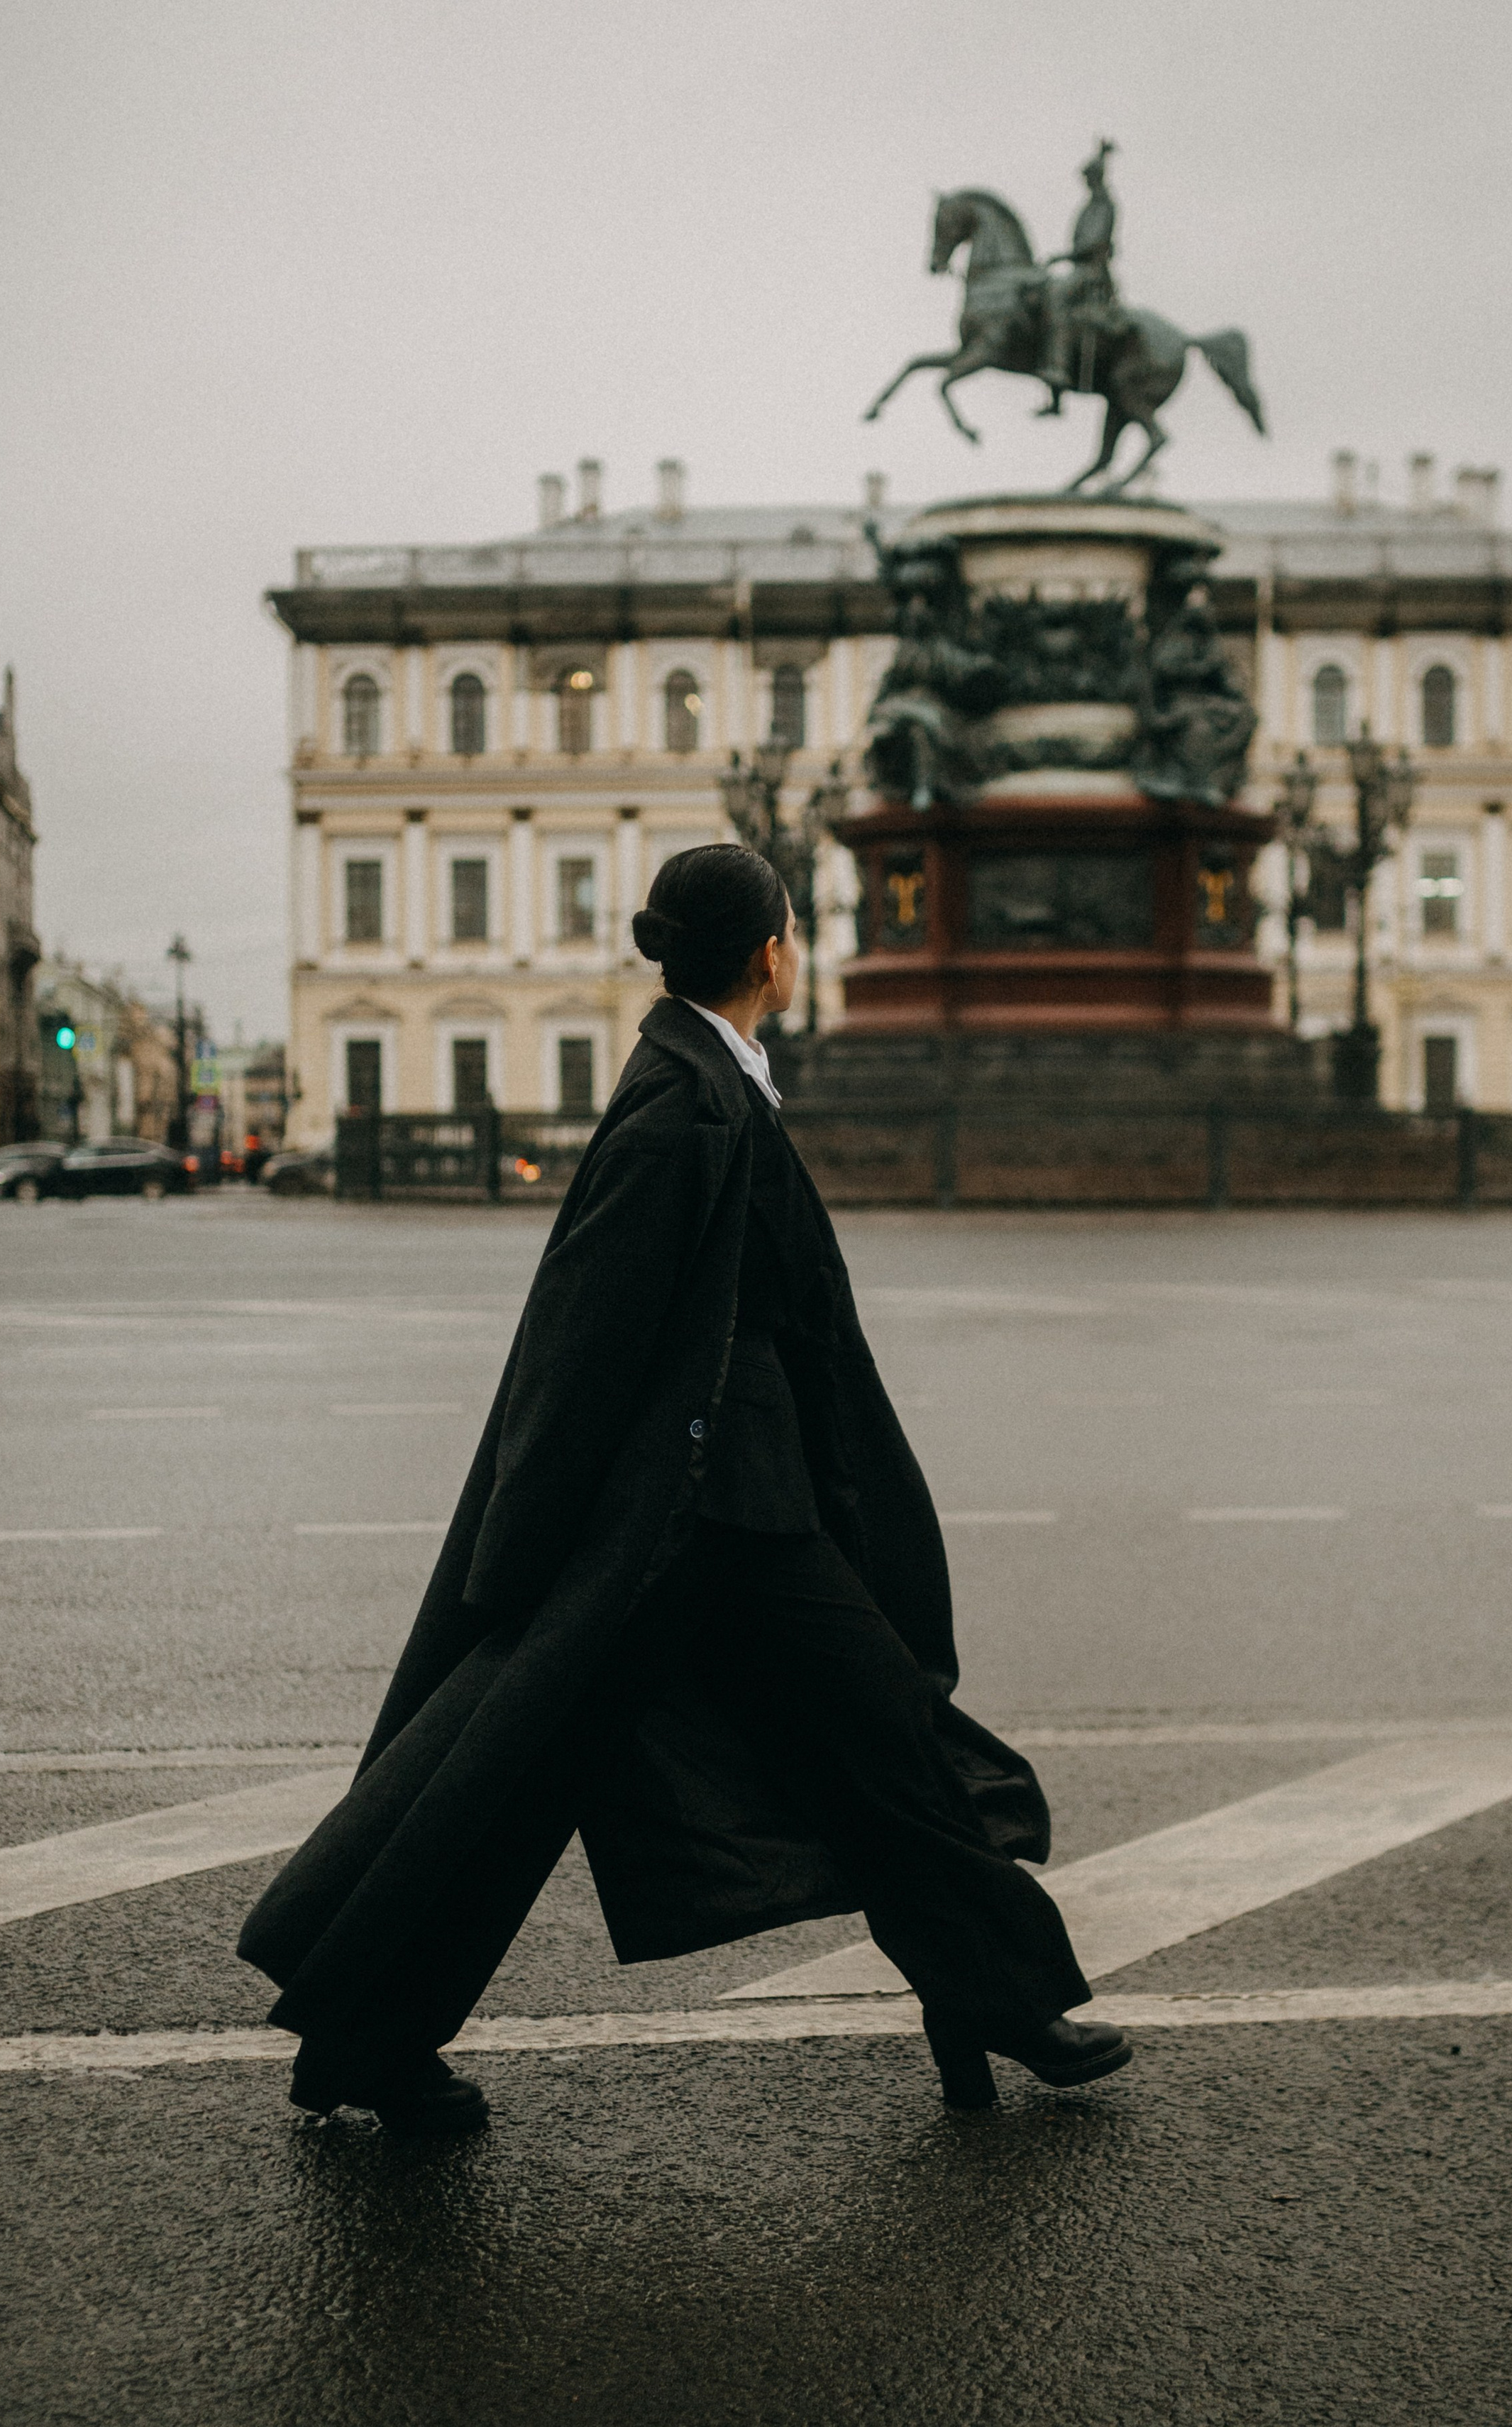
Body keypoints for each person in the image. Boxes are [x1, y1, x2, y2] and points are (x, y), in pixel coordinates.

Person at [237, 843, 1127, 2132]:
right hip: (689, 1515)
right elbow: (580, 1333)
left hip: (734, 1504)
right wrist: (535, 1537)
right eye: (793, 932)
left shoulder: (715, 1081)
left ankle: (989, 1995)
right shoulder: (683, 1104)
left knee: (868, 1744)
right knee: (529, 1775)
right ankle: (363, 2038)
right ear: (771, 952)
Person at [1037, 138, 1120, 414]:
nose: (1085, 182)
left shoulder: (1103, 205)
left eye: (1088, 177)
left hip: (1091, 273)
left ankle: (1058, 368)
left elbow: (1093, 244)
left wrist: (1063, 257)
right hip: (1079, 269)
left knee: (1056, 297)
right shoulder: (1090, 205)